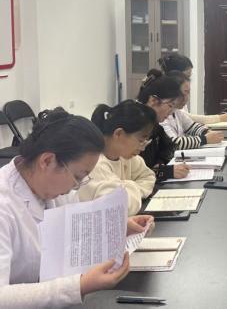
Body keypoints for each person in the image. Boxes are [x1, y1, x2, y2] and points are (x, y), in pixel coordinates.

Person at [0, 108, 152, 308]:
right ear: (47, 161)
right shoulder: (5, 205)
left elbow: (74, 233)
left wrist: (116, 227)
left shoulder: (50, 187)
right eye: (77, 176)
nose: (76, 186)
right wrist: (80, 286)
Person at [79, 100, 157, 215]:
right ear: (119, 134)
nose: (143, 148)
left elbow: (148, 176)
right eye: (141, 141)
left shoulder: (126, 157)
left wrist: (128, 188)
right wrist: (131, 186)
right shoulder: (95, 164)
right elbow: (120, 206)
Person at [137, 69, 190, 181]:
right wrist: (164, 172)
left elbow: (170, 147)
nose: (171, 112)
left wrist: (160, 164)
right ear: (153, 101)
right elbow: (135, 176)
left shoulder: (155, 126)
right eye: (170, 105)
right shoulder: (134, 127)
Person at [159, 54, 227, 125]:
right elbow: (187, 118)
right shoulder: (166, 98)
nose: (188, 81)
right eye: (187, 77)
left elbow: (186, 121)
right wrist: (218, 118)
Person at [160, 71, 225, 149]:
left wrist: (207, 132)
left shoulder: (176, 111)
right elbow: (174, 143)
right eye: (185, 92)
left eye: (189, 93)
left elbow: (192, 127)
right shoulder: (161, 115)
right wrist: (205, 139)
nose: (187, 98)